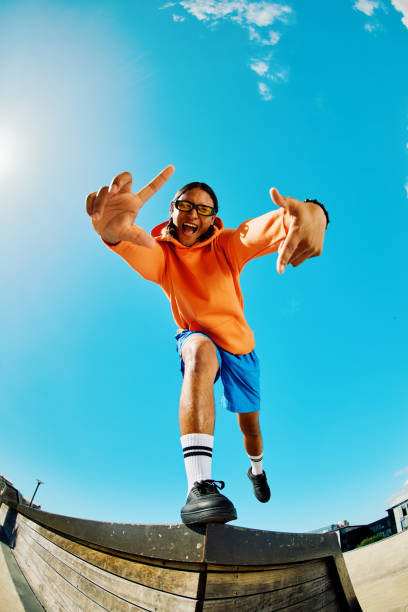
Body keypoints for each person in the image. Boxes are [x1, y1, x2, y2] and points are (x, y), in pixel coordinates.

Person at [86, 165, 328, 525]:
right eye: (185, 205)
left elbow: (257, 231)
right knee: (198, 348)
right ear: (172, 210)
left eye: (204, 209)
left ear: (213, 219)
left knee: (251, 430)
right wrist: (115, 236)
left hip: (240, 347)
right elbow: (141, 251)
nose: (192, 214)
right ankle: (198, 486)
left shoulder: (226, 245)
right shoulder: (163, 255)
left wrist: (313, 212)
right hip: (197, 337)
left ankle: (257, 470)